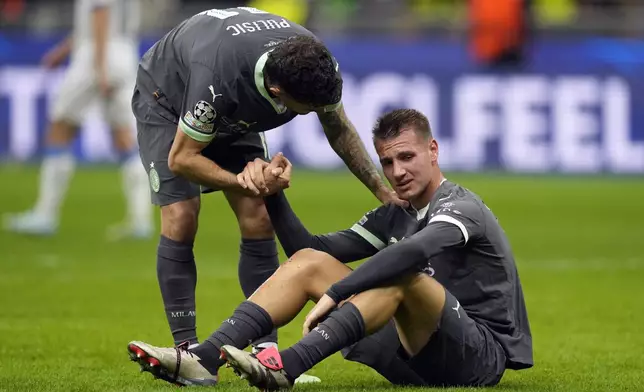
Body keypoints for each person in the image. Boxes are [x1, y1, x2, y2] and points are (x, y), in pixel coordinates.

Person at [126, 108, 533, 388]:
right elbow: (308, 252)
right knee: (309, 262)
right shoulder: (395, 213)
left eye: (407, 157)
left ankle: (286, 366)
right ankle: (205, 359)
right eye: (387, 163)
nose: (397, 172)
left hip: (477, 357)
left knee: (402, 275)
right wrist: (272, 193)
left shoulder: (460, 206)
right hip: (414, 357)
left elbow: (411, 254)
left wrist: (338, 293)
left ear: (433, 150)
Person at [126, 4, 402, 380]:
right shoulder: (219, 78)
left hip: (233, 104)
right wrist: (243, 180)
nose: (311, 114)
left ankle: (265, 351)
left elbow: (337, 127)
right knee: (182, 216)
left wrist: (383, 192)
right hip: (169, 97)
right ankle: (187, 355)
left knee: (258, 216)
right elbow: (182, 158)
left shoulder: (314, 62)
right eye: (305, 110)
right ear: (277, 91)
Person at [4, 0, 152, 240]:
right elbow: (98, 21)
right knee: (124, 137)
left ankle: (45, 214)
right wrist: (63, 50)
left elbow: (101, 13)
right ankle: (140, 221)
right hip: (124, 54)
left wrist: (101, 68)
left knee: (59, 127)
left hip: (95, 56)